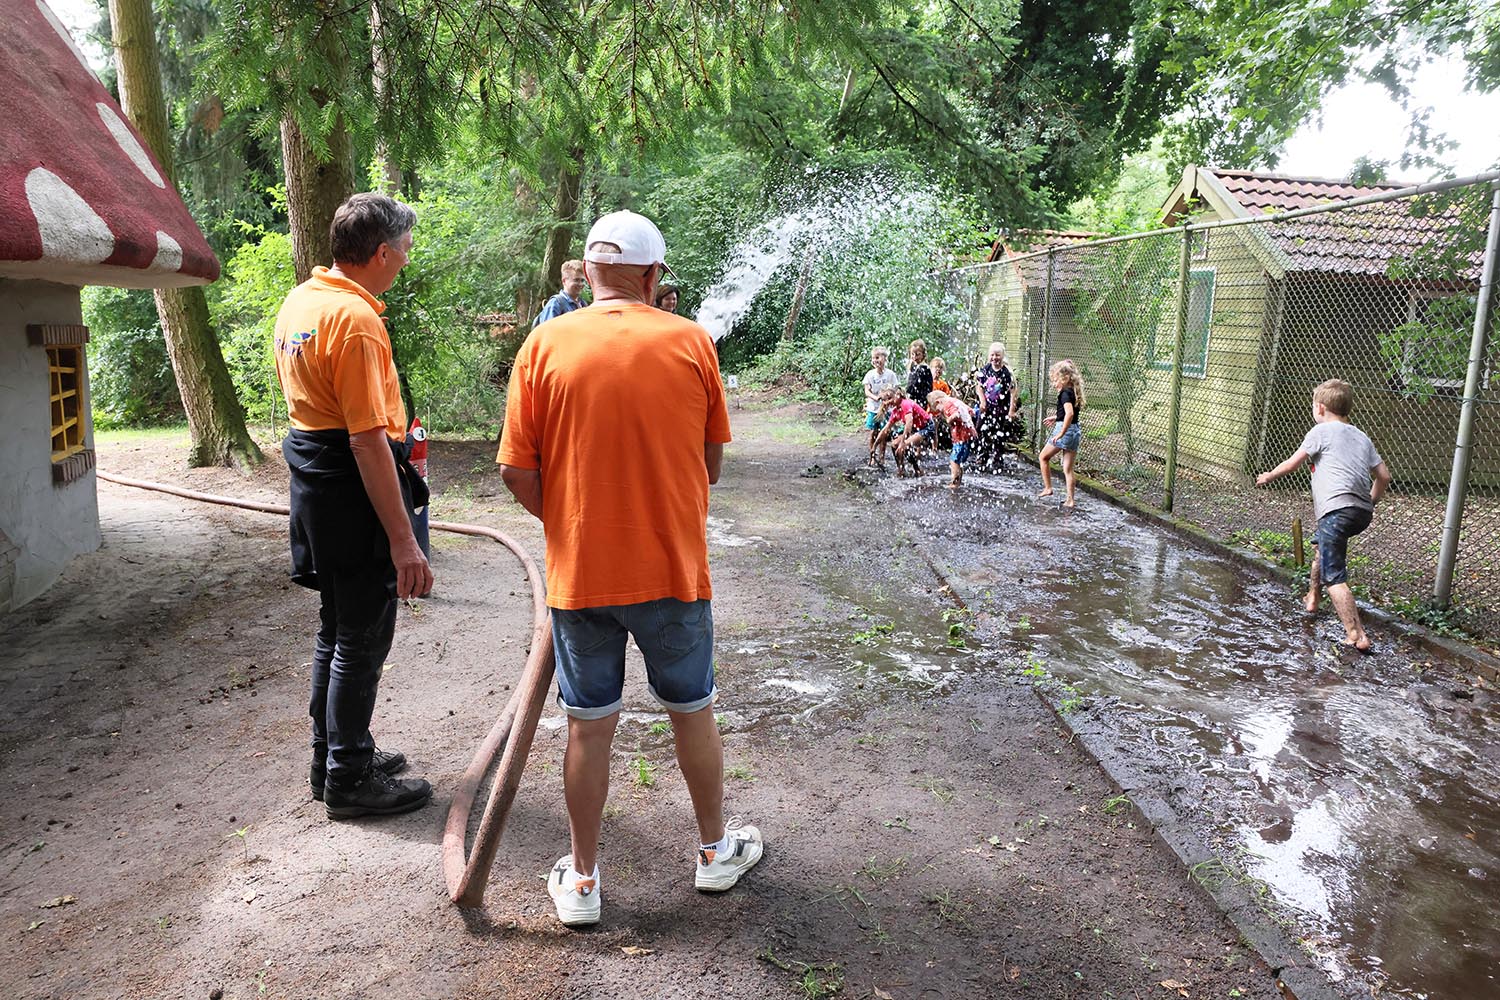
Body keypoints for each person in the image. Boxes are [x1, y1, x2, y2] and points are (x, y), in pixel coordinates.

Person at [497, 210, 762, 928]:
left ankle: (581, 881)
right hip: (674, 572)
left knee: (589, 727)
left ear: (586, 274)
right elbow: (709, 466)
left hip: (581, 580)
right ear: (651, 276)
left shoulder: (545, 344)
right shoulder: (691, 342)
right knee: (692, 709)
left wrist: (576, 526)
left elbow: (516, 469)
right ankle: (714, 853)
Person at [272, 193, 434, 820]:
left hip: (315, 478)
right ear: (383, 251)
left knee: (336, 629)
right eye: (405, 249)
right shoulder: (357, 321)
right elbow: (367, 440)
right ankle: (348, 778)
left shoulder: (303, 301)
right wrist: (403, 540)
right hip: (351, 483)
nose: (407, 259)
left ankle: (335, 755)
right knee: (362, 638)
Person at [1255, 379, 1391, 652]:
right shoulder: (1361, 436)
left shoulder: (1320, 431)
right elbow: (1384, 476)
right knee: (1321, 547)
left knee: (1335, 576)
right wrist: (1370, 502)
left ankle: (1356, 635)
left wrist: (1268, 475)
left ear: (1320, 407)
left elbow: (1293, 465)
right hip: (1361, 511)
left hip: (1336, 511)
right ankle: (1313, 598)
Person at [1039, 359, 1084, 509]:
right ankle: (1070, 500)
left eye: (1055, 380)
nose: (1054, 384)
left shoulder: (1064, 394)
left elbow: (1069, 414)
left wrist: (1060, 433)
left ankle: (1048, 488)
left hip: (1065, 430)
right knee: (1068, 469)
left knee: (1043, 457)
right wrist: (1056, 417)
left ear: (1065, 379)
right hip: (1075, 431)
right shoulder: (1073, 392)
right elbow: (1069, 413)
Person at [972, 342, 1019, 474]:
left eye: (997, 355)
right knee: (982, 430)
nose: (994, 358)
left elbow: (1013, 392)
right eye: (992, 355)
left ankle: (998, 458)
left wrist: (1011, 410)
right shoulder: (986, 370)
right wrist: (982, 401)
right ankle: (982, 455)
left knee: (999, 433)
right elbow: (979, 386)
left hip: (1000, 409)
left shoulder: (1006, 373)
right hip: (987, 408)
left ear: (1002, 356)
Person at [927, 390, 976, 489]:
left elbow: (956, 414)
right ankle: (958, 482)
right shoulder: (956, 401)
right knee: (959, 461)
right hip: (968, 434)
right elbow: (972, 412)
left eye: (938, 410)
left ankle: (954, 483)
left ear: (938, 402)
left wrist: (949, 420)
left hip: (961, 437)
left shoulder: (948, 404)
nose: (940, 412)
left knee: (954, 460)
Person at [862, 347, 900, 465]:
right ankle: (872, 456)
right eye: (873, 358)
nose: (875, 360)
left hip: (886, 409)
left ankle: (882, 457)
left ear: (885, 359)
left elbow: (896, 388)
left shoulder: (890, 374)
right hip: (873, 408)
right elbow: (867, 391)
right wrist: (876, 397)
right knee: (873, 432)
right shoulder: (870, 375)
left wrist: (890, 397)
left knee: (884, 433)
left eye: (878, 357)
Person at [534, 259, 588, 326]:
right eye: (576, 280)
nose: (580, 284)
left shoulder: (583, 304)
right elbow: (548, 332)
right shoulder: (556, 304)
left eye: (582, 280)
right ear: (564, 281)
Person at [905, 339, 933, 404]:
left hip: (921, 401)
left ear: (923, 354)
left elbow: (929, 387)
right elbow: (910, 385)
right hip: (911, 399)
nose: (914, 357)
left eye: (917, 355)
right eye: (912, 354)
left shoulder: (925, 368)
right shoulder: (913, 367)